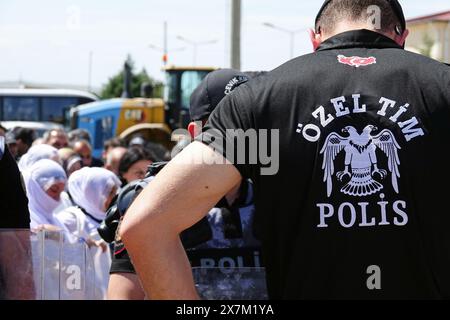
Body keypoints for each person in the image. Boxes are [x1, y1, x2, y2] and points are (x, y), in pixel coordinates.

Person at [120, 0, 450, 300]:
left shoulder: (264, 103)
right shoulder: (441, 89)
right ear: (403, 37)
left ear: (314, 38)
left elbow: (146, 224)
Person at [107, 69, 261, 300]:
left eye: (250, 120)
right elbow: (124, 295)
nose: (241, 133)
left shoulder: (275, 195)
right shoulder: (152, 200)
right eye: (226, 121)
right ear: (195, 132)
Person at [56, 167, 121, 298]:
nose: (114, 198)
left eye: (115, 192)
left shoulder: (114, 218)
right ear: (90, 192)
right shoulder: (70, 219)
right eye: (109, 193)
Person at [23, 159, 67, 230]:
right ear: (36, 187)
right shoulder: (21, 218)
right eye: (54, 190)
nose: (57, 198)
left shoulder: (55, 220)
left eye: (61, 192)